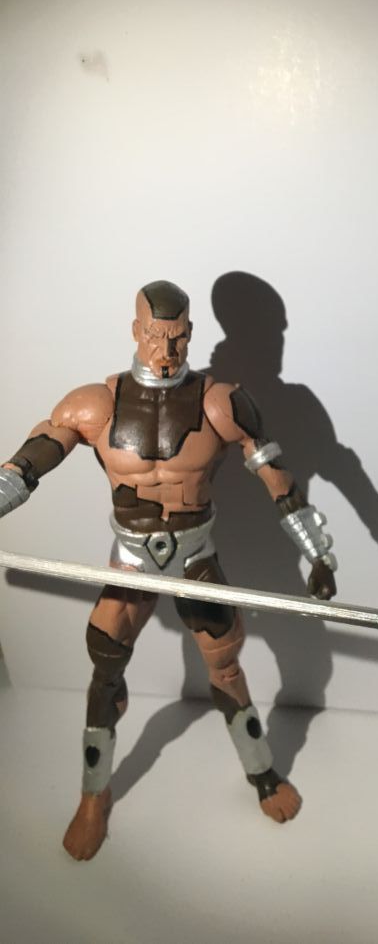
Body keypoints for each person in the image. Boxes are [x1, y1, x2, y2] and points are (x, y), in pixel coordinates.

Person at [0, 280, 337, 860]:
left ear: (192, 333)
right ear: (136, 331)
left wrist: (317, 551)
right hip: (132, 561)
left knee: (225, 667)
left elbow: (278, 480)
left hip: (196, 558)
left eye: (178, 337)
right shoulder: (96, 404)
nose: (168, 350)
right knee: (105, 669)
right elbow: (29, 462)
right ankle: (93, 794)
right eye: (156, 336)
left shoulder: (220, 403)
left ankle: (261, 771)